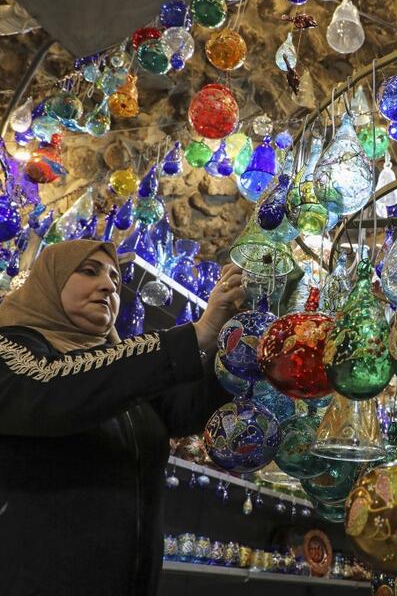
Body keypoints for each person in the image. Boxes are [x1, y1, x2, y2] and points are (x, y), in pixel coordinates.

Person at [0, 239, 246, 595]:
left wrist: (235, 332)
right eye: (89, 271)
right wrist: (196, 334)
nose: (108, 285)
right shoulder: (10, 351)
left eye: (116, 278)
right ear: (47, 281)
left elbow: (187, 411)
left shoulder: (123, 374)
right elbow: (52, 387)